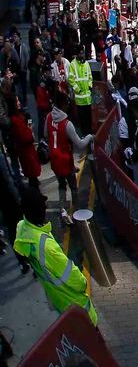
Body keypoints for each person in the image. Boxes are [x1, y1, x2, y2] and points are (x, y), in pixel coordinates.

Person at [14, 188, 97, 324]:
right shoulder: (46, 246)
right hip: (76, 305)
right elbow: (75, 279)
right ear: (39, 211)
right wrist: (83, 283)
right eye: (43, 208)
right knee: (90, 332)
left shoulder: (24, 229)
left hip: (58, 299)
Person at [45, 95, 93, 210]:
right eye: (67, 103)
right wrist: (90, 137)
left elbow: (46, 134)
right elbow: (80, 144)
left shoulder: (48, 116)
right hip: (65, 161)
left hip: (54, 160)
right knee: (73, 187)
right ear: (63, 105)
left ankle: (62, 208)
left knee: (61, 185)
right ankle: (76, 208)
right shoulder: (67, 124)